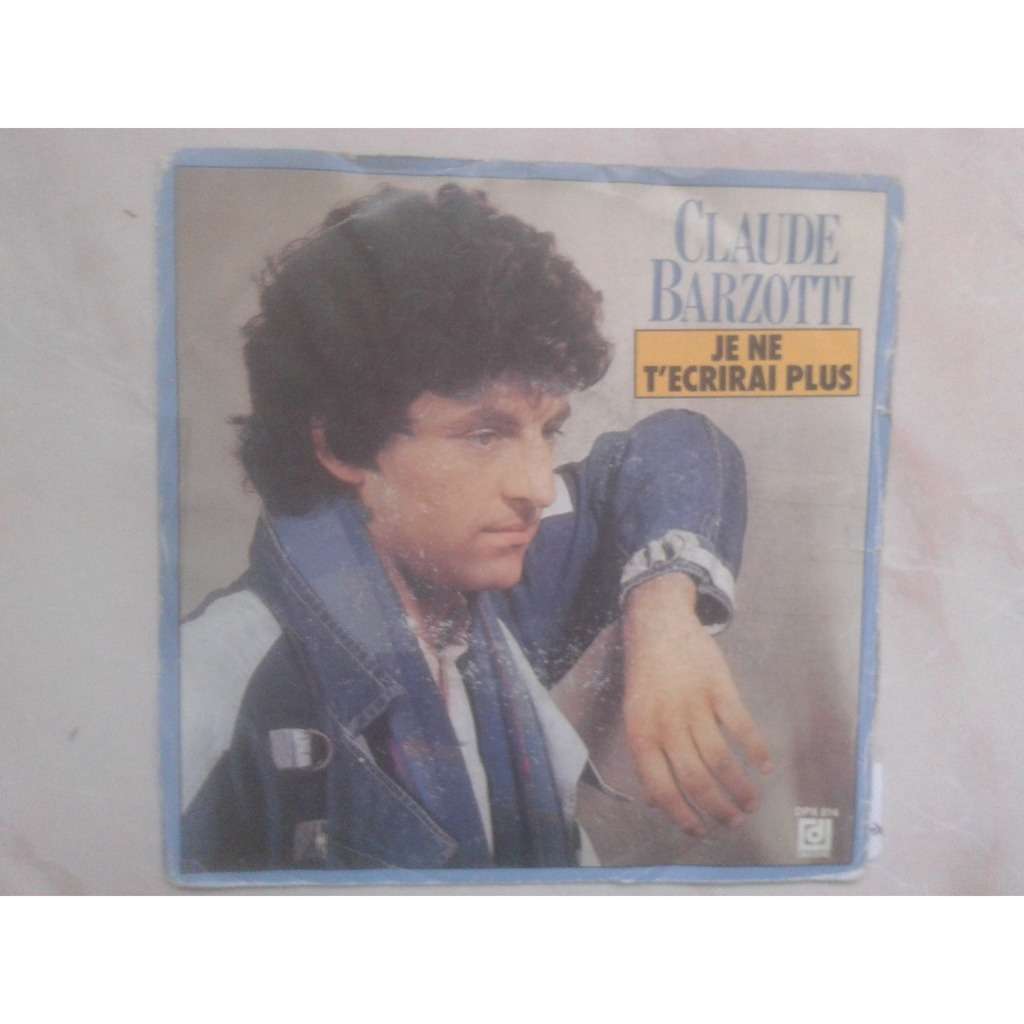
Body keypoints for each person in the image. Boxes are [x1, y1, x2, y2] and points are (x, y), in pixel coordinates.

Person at [180, 183, 772, 872]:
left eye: (548, 432)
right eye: (485, 435)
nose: (537, 487)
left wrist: (664, 613)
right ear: (341, 445)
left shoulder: (476, 577)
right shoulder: (208, 686)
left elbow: (679, 444)